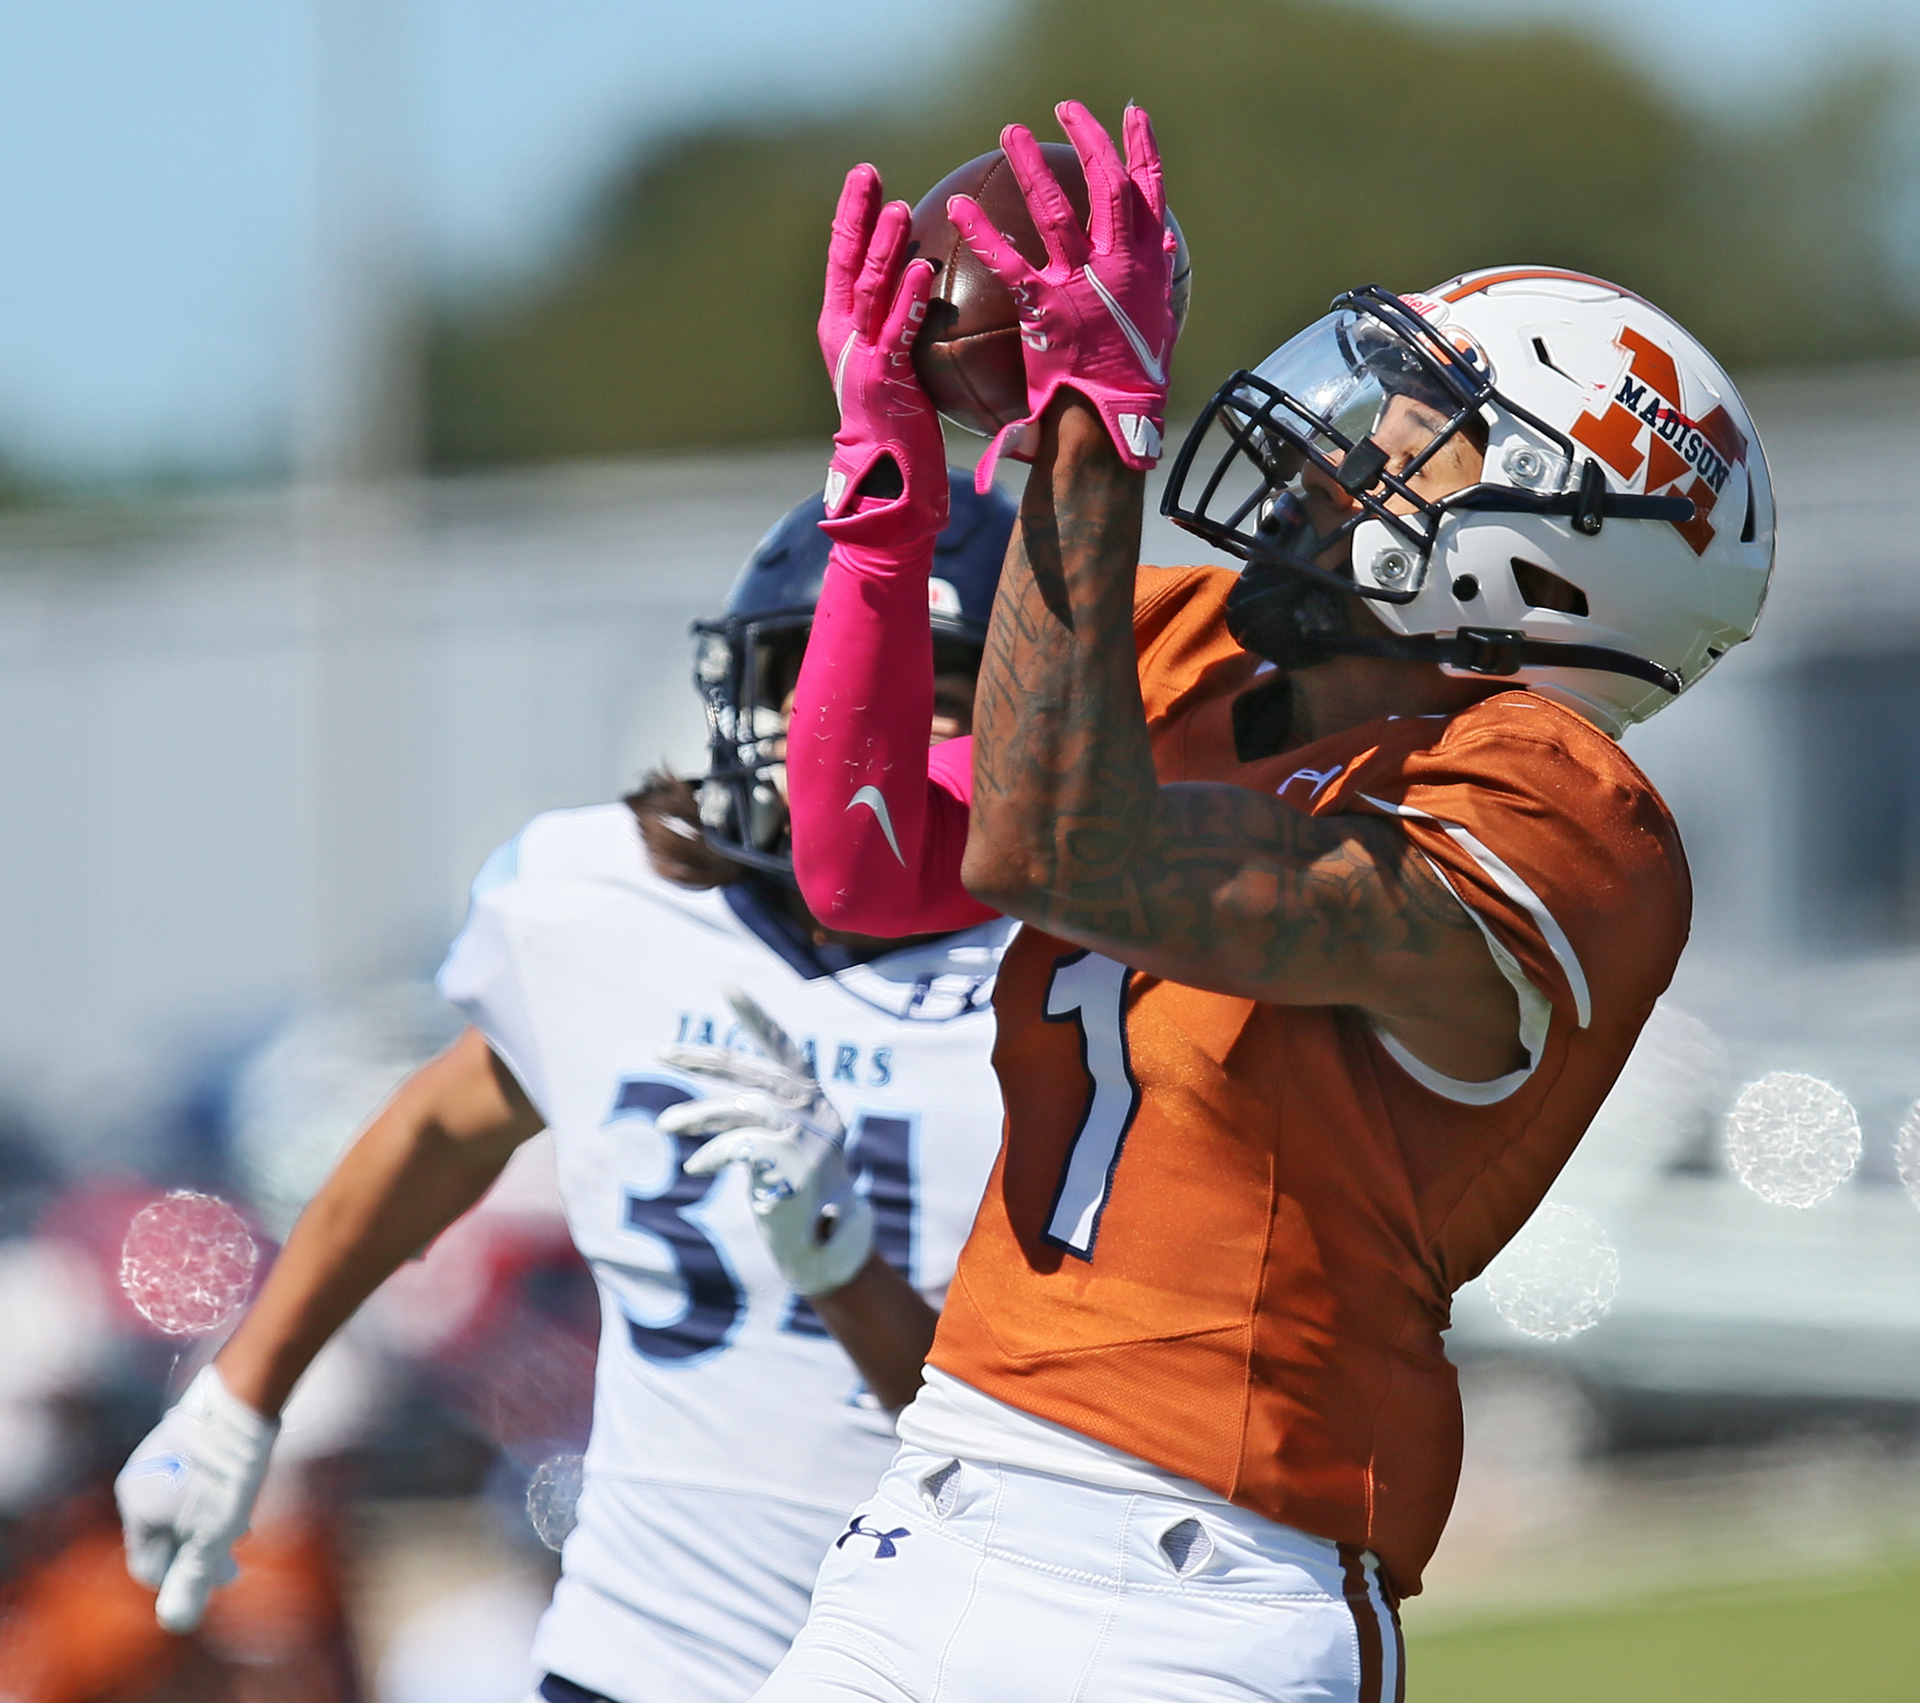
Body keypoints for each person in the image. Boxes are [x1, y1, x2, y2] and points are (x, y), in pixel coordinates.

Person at [761, 102, 1775, 1702]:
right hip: (936, 1507)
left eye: (1417, 436)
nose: (1335, 451)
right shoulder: (1205, 649)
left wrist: (1094, 424)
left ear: (1560, 544)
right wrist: (889, 484)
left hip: (1202, 1584)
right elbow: (862, 861)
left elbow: (1058, 849)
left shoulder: (1567, 817)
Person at [113, 472, 1019, 1703]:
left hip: (937, 1659)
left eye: (931, 691)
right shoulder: (603, 902)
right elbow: (444, 1124)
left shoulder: (1076, 978)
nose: (858, 726)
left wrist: (848, 1273)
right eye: (814, 678)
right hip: (634, 1654)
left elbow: (1042, 1457)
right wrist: (242, 1389)